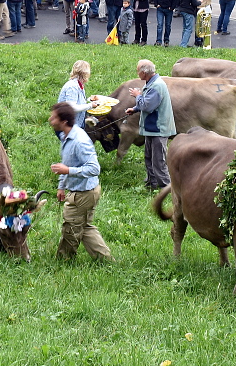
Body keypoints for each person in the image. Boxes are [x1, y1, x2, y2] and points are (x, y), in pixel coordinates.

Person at [49, 102, 113, 261]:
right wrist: (61, 187)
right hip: (82, 190)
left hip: (84, 193)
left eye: (54, 118)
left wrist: (68, 171)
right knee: (85, 227)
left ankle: (64, 261)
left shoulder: (80, 141)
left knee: (71, 227)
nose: (50, 120)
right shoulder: (67, 136)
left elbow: (94, 169)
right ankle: (106, 260)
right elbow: (67, 162)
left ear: (64, 122)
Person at [125, 59, 175, 190]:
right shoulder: (152, 83)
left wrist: (137, 96)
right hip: (152, 129)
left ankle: (167, 188)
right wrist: (135, 109)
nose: (137, 73)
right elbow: (149, 102)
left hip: (158, 129)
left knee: (159, 161)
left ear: (144, 72)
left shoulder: (157, 85)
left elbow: (148, 106)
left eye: (138, 70)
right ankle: (152, 184)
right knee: (149, 158)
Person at [58, 60, 99, 129]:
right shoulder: (72, 87)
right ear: (85, 74)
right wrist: (90, 105)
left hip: (76, 124)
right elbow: (72, 108)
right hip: (68, 126)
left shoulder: (79, 85)